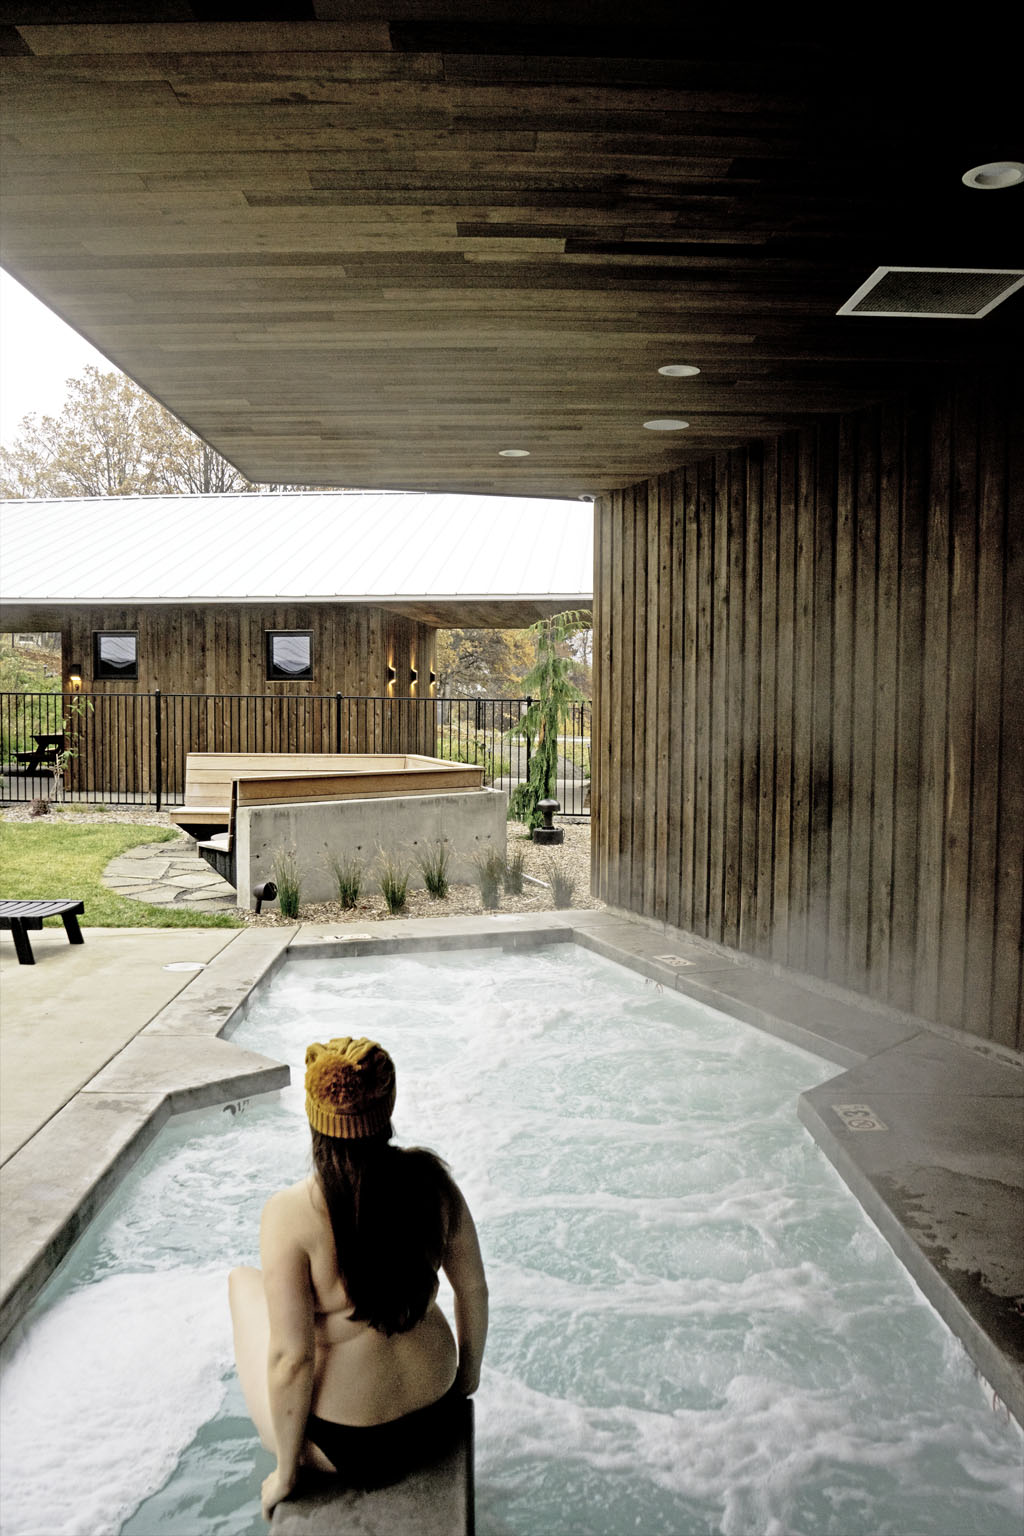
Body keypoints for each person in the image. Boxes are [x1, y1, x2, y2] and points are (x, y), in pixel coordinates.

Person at [228, 1035, 488, 1522]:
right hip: (436, 1413)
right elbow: (472, 1288)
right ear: (385, 1109)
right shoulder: (434, 1185)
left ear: (315, 1121)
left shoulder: (290, 1213)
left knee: (243, 1284)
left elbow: (292, 1360)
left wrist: (285, 1473)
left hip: (349, 1447)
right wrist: (466, 1378)